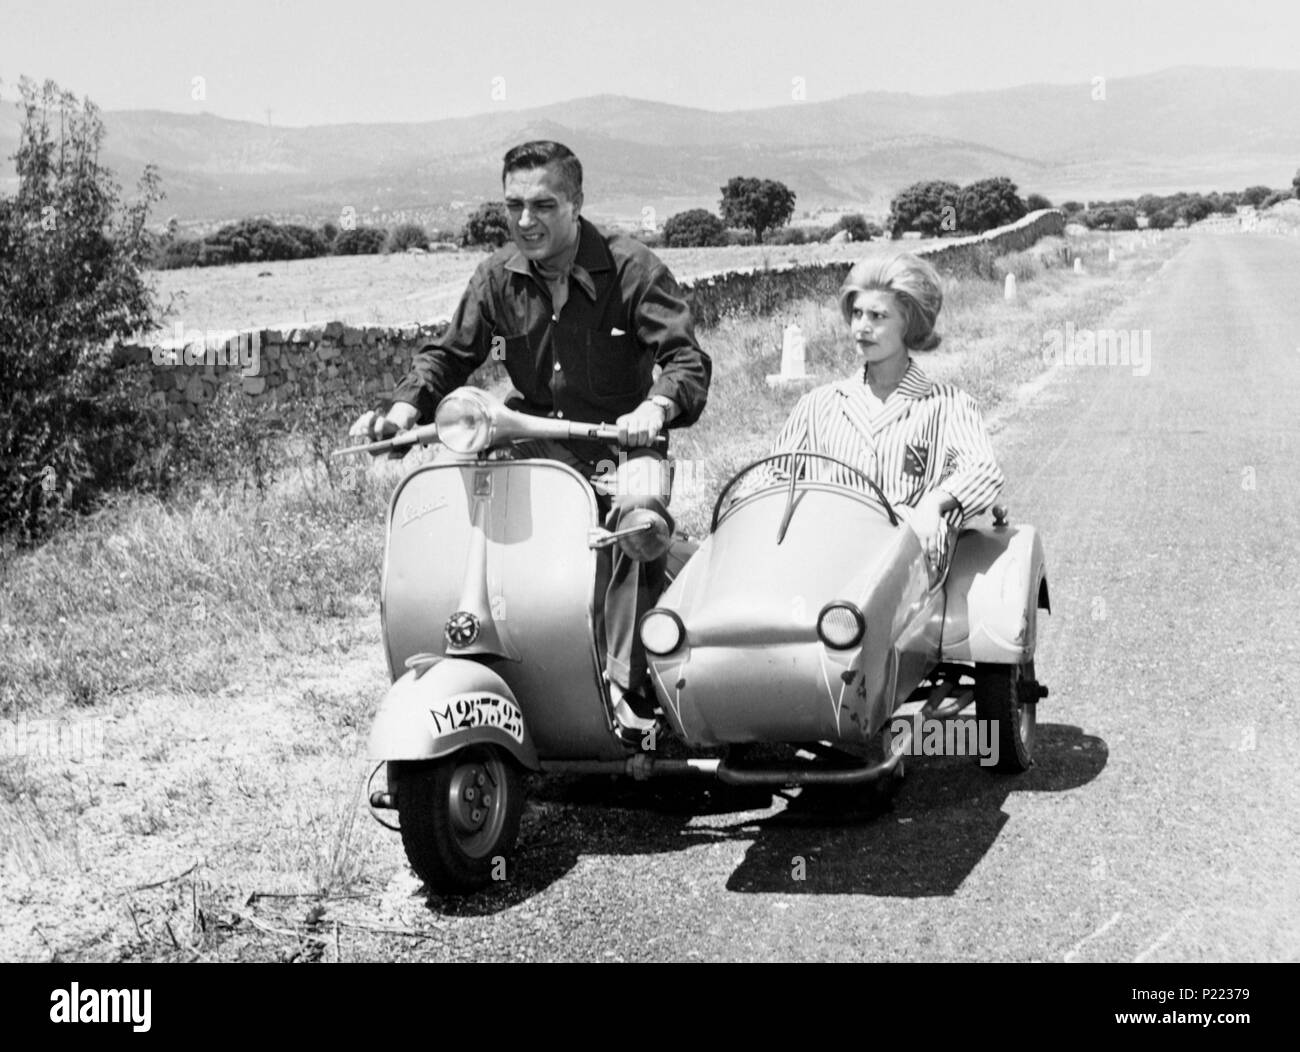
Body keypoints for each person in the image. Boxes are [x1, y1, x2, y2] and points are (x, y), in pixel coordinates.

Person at [350, 140, 711, 741]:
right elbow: (450, 355)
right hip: (534, 439)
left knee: (640, 519)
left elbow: (686, 360)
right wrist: (401, 409)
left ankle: (623, 686)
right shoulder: (497, 277)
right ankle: (491, 655)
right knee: (475, 497)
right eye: (513, 205)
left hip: (622, 443)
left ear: (576, 203)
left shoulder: (633, 269)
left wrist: (657, 405)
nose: (525, 220)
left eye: (543, 205)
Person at [768, 252, 1003, 573]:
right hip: (822, 560)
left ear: (909, 322)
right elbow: (771, 475)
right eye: (857, 314)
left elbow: (982, 470)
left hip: (909, 568)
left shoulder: (948, 404)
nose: (862, 327)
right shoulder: (818, 404)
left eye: (878, 316)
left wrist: (933, 504)